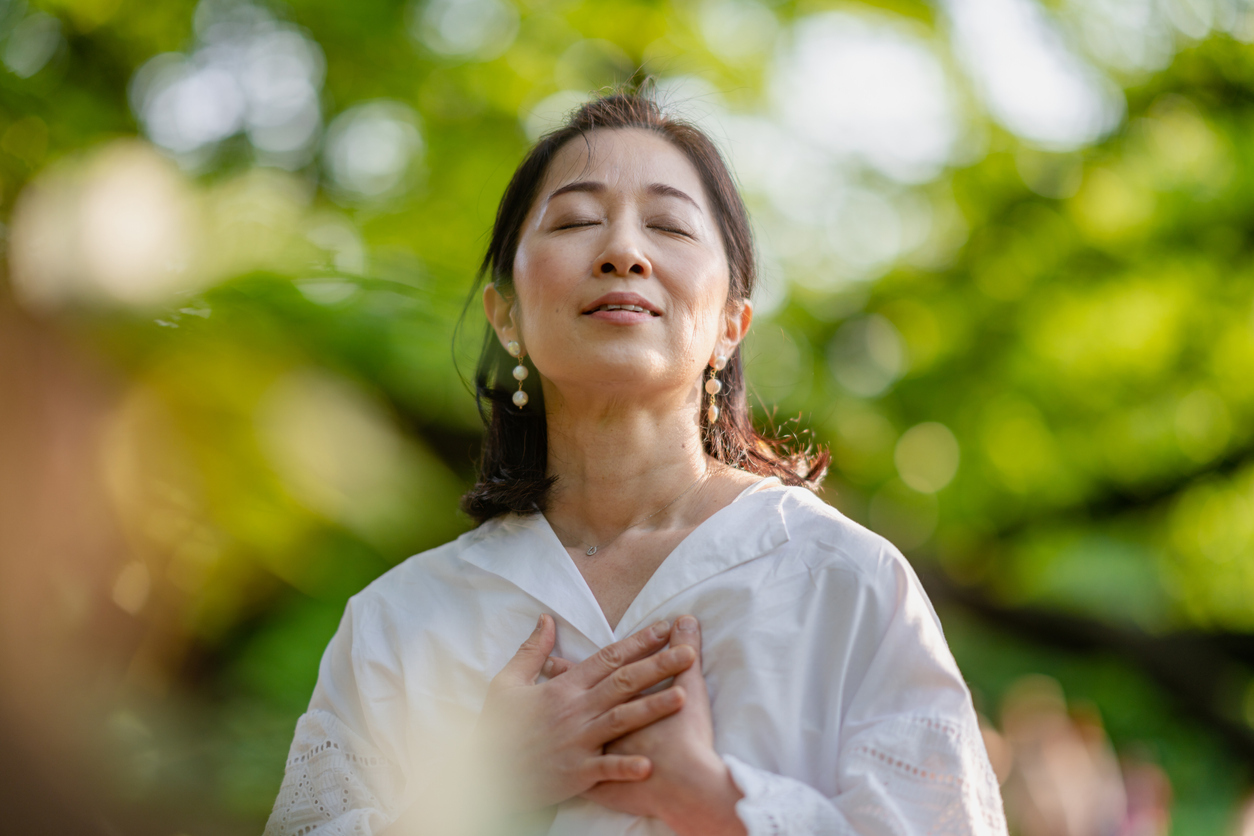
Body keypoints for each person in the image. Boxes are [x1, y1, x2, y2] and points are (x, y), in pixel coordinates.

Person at [264, 88, 1008, 836]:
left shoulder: (845, 582)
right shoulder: (400, 622)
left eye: (668, 225)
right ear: (507, 316)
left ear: (730, 324)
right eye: (576, 221)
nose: (623, 252)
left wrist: (716, 802)